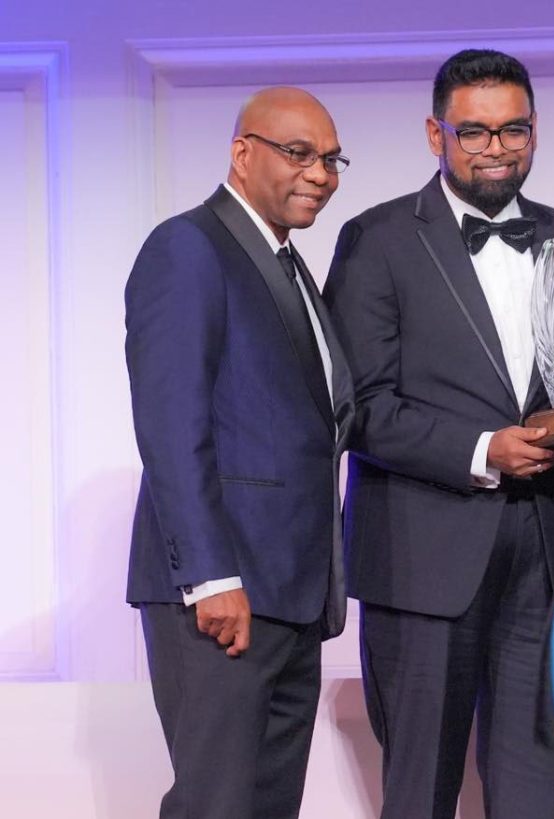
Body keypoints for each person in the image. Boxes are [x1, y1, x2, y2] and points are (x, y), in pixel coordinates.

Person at [324, 49, 554, 819]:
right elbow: (359, 404)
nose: (497, 148)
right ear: (437, 134)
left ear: (534, 130)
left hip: (550, 550)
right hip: (424, 555)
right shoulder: (379, 238)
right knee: (420, 788)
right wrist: (484, 449)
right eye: (476, 132)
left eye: (513, 129)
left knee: (534, 789)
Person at [124, 87, 355, 819]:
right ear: (242, 152)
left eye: (330, 159)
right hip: (222, 595)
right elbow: (170, 420)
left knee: (266, 806)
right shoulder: (188, 247)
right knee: (215, 805)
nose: (318, 172)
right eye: (298, 153)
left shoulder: (290, 266)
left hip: (290, 596)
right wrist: (210, 575)